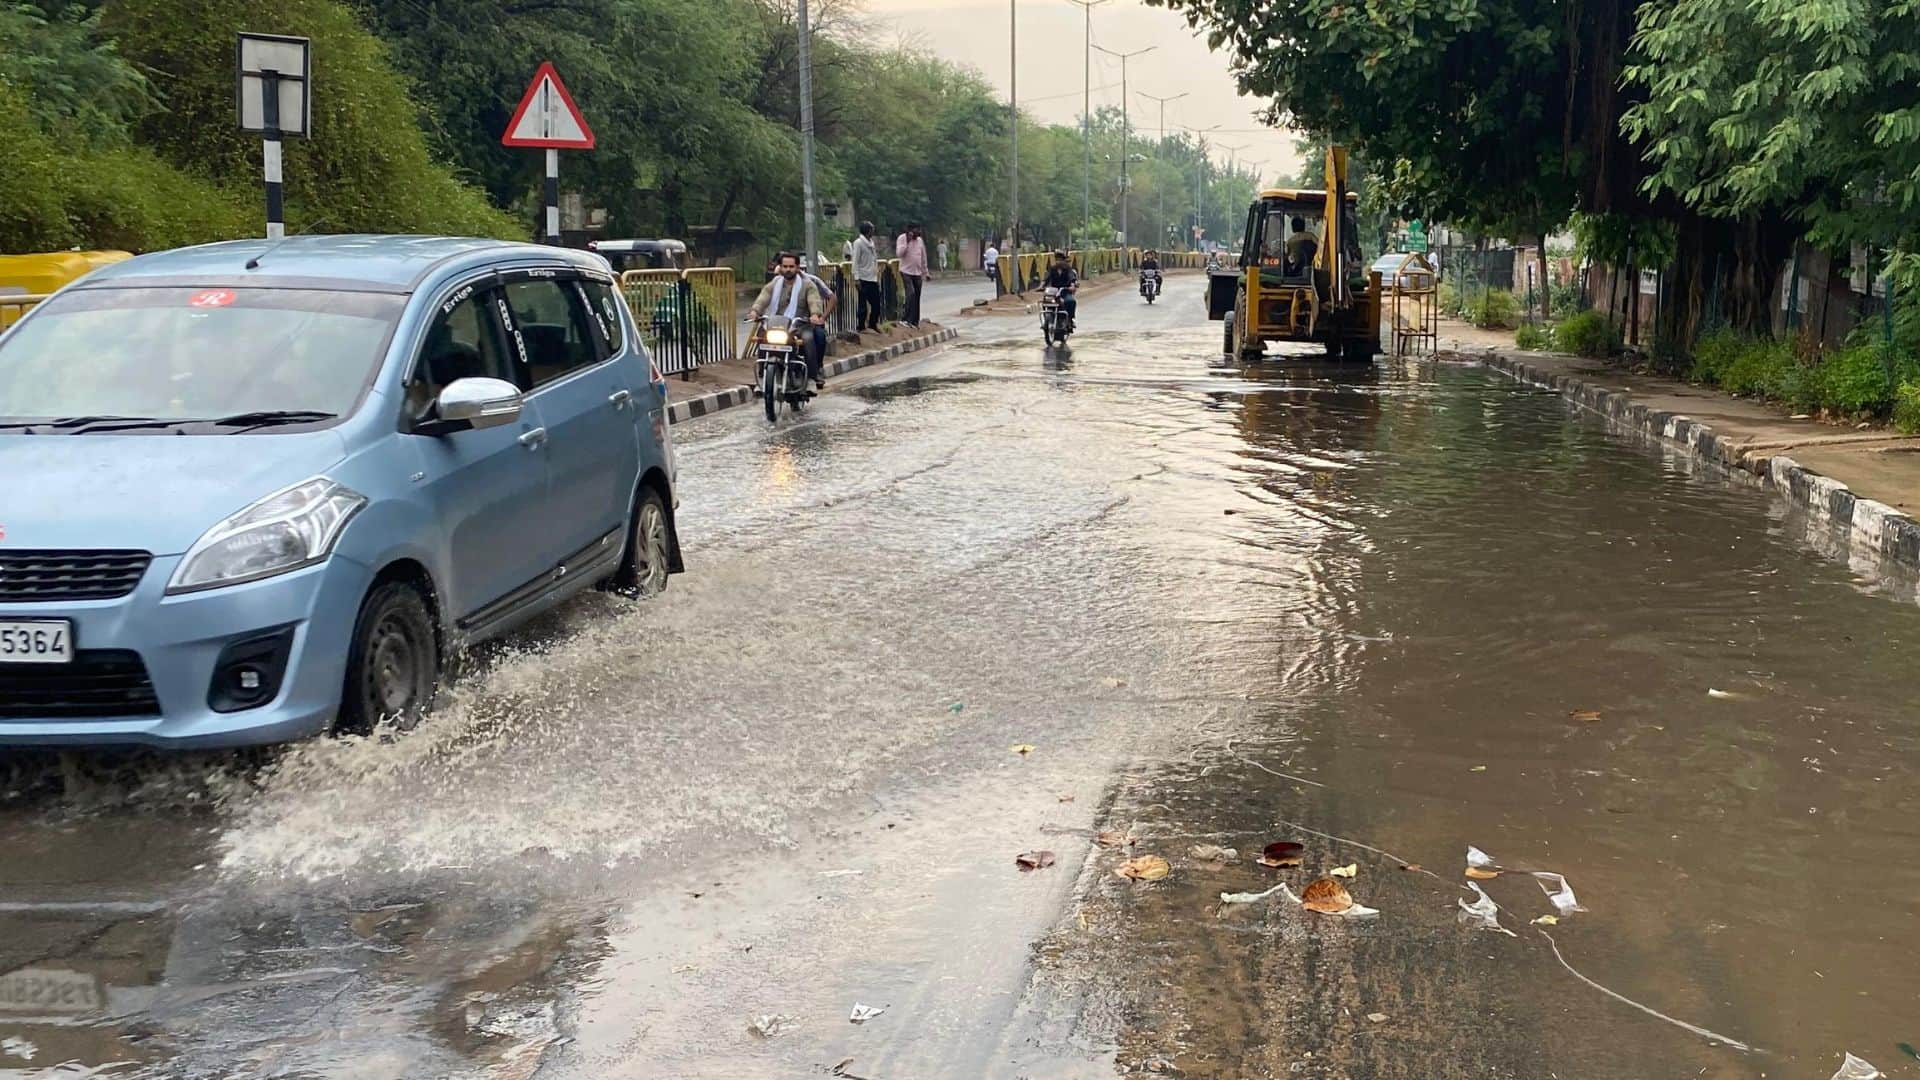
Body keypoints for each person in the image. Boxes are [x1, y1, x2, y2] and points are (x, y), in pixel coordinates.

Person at [748, 251, 827, 386]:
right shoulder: (775, 283)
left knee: (808, 339)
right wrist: (755, 311)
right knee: (761, 335)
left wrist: (814, 314)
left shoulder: (808, 285)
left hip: (799, 326)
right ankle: (762, 377)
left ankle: (812, 378)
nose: (788, 269)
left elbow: (814, 301)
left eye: (791, 267)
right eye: (785, 266)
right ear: (780, 267)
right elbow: (763, 298)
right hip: (776, 325)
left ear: (797, 267)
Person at [852, 221, 881, 333]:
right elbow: (855, 261)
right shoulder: (858, 243)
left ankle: (872, 324)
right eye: (872, 229)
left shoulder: (871, 243)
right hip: (863, 277)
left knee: (876, 304)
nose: (873, 231)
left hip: (872, 277)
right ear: (868, 230)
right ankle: (861, 326)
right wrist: (856, 278)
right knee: (862, 303)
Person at [896, 224, 928, 327]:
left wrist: (925, 272)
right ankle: (905, 319)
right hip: (906, 271)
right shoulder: (902, 238)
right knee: (911, 293)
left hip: (917, 272)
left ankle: (915, 321)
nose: (918, 232)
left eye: (919, 229)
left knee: (917, 295)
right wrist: (907, 241)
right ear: (910, 230)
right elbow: (899, 254)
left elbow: (923, 257)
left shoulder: (920, 241)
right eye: (916, 230)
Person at [1042, 249, 1078, 328]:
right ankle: (1046, 320)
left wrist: (1072, 286)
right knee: (1045, 301)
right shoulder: (1052, 269)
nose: (1058, 261)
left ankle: (1070, 320)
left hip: (1065, 292)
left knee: (1071, 301)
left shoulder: (1068, 269)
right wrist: (1042, 285)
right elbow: (1046, 279)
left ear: (1064, 260)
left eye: (1060, 260)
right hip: (1054, 292)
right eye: (1057, 259)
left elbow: (1071, 278)